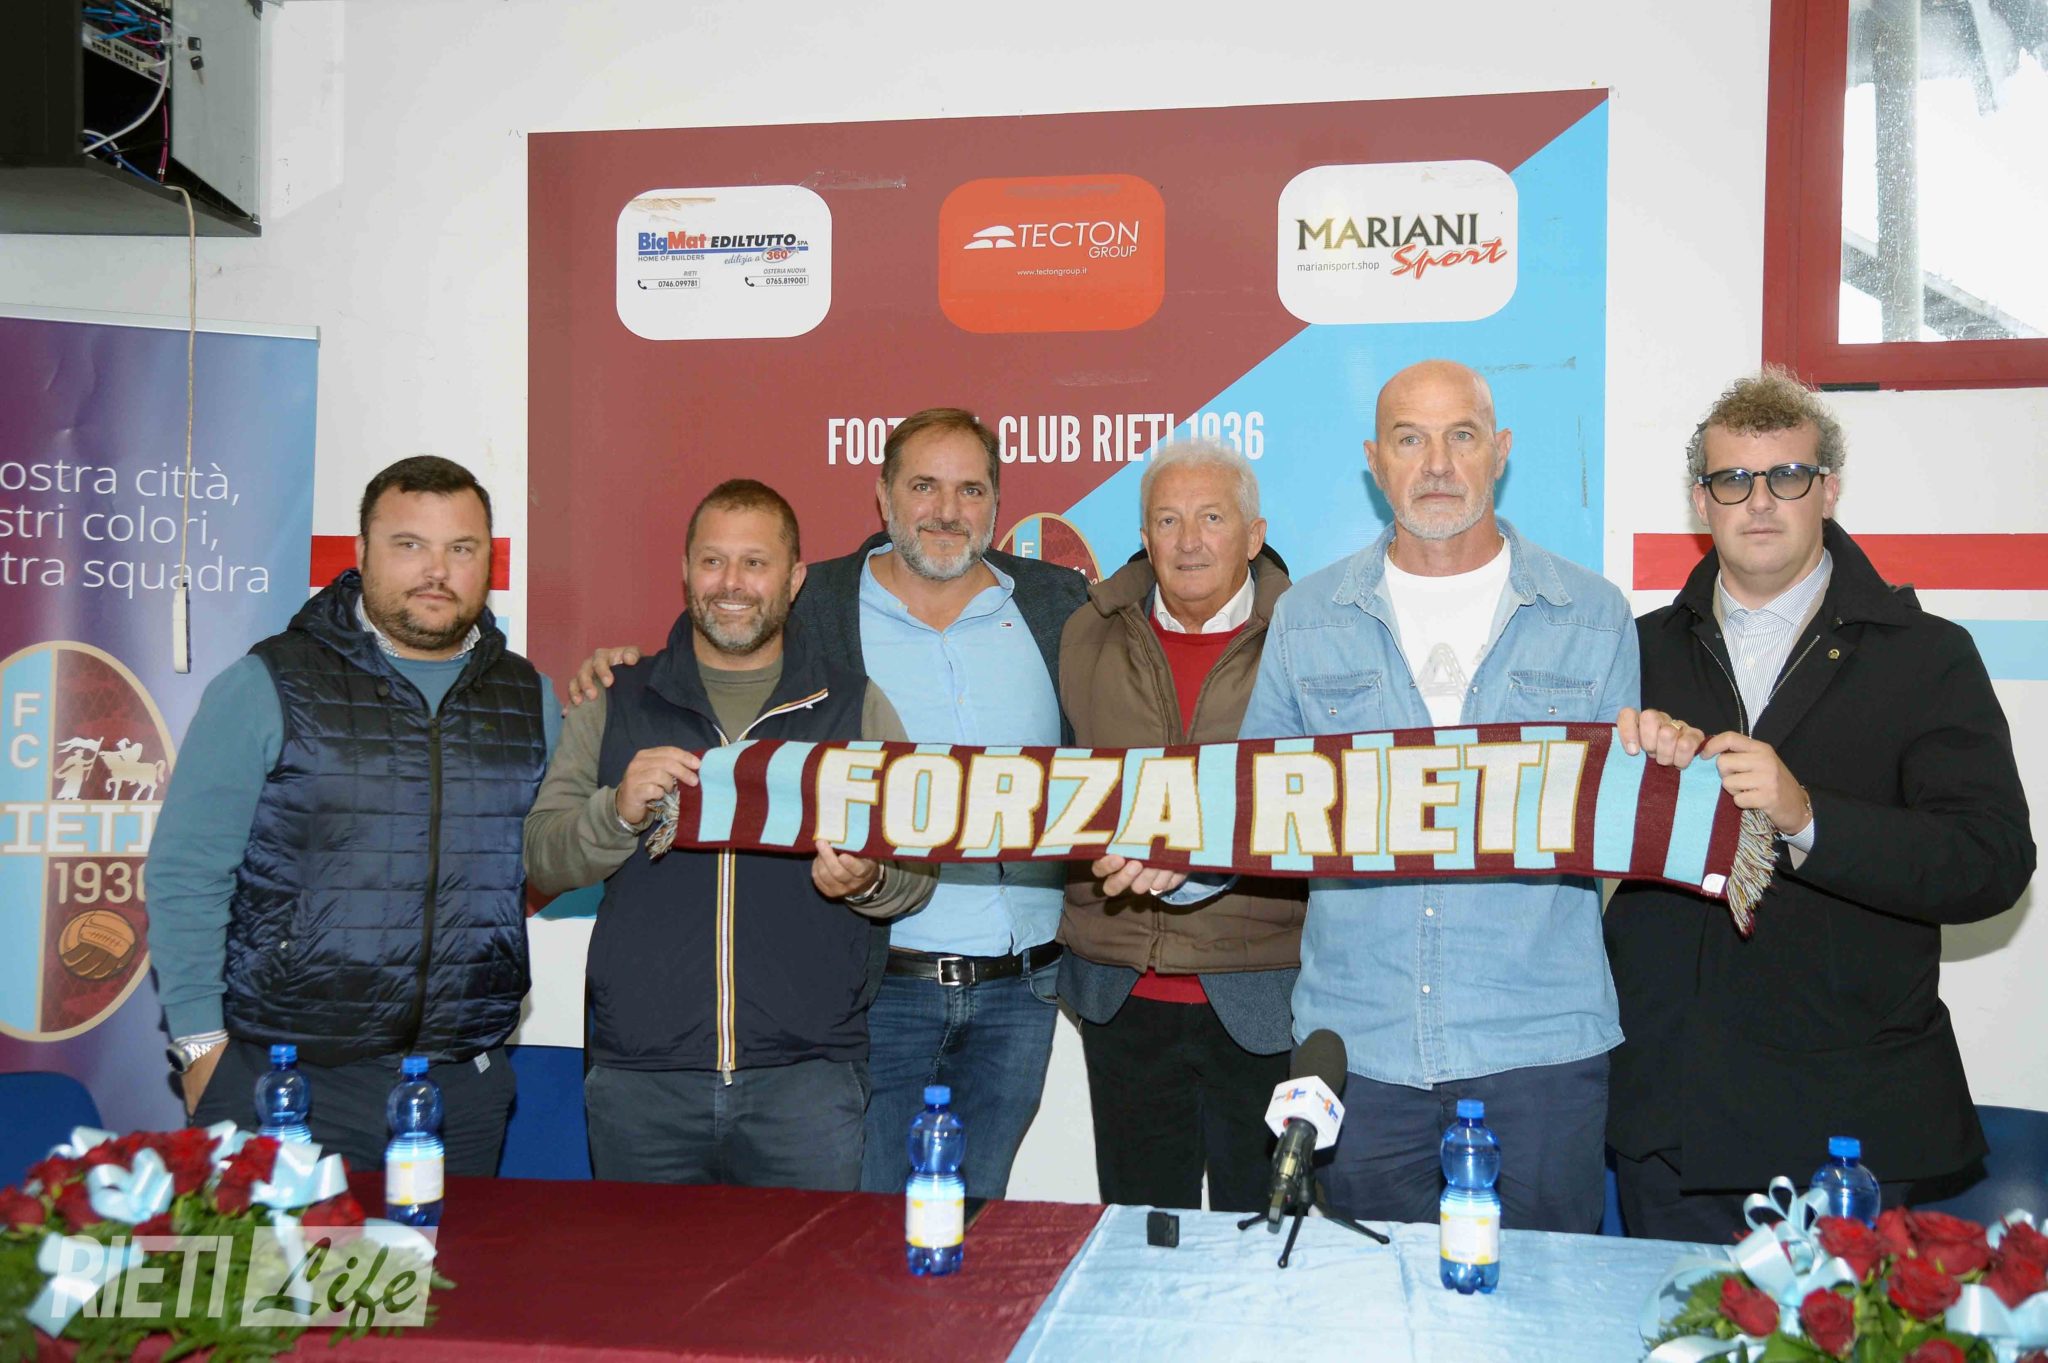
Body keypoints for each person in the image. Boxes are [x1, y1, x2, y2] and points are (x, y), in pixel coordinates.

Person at [1105, 360, 1638, 1233]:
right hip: (1361, 1055)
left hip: (1539, 1049)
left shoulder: (1592, 613)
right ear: (1374, 461)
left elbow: (1620, 819)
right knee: (1363, 1301)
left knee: (1548, 1301)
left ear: (1500, 450)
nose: (1437, 464)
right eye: (1409, 439)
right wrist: (1178, 856)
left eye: (1461, 435)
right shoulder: (1309, 617)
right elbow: (1254, 805)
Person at [1608, 369, 2034, 1241]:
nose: (1761, 501)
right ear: (1702, 501)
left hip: (1854, 1126)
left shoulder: (1927, 655)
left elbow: (1991, 862)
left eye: (1788, 475)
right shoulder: (1630, 653)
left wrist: (1807, 817)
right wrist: (1622, 780)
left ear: (1829, 490)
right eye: (1734, 479)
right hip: (1672, 1117)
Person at [148, 455, 558, 1174]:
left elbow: (563, 848)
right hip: (289, 1086)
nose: (437, 570)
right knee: (285, 1259)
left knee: (449, 1256)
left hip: (461, 1089)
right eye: (410, 544)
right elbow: (187, 873)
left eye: (461, 549)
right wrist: (201, 1047)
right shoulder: (269, 681)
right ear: (362, 552)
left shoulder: (529, 696)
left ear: (487, 564)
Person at [525, 478, 933, 1189]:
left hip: (807, 1082)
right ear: (685, 572)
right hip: (642, 1082)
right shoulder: (617, 698)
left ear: (794, 579)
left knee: (805, 1268)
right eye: (713, 561)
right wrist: (614, 812)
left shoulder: (853, 704)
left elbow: (916, 869)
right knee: (644, 1266)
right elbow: (541, 856)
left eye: (755, 562)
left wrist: (868, 879)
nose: (732, 583)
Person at [1056, 438, 1306, 1212]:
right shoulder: (1086, 633)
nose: (1188, 540)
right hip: (1121, 992)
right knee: (1141, 1240)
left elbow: (1331, 808)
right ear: (1144, 536)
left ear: (1254, 535)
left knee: (1260, 1241)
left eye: (1211, 518)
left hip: (1262, 994)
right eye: (1167, 520)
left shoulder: (1309, 639)